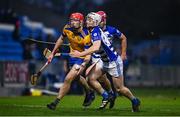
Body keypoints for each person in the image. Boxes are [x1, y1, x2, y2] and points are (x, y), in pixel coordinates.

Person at [70, 12, 140, 112]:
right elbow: (87, 42)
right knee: (90, 78)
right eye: (87, 19)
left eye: (90, 20)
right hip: (104, 61)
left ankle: (135, 101)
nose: (87, 21)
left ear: (96, 22)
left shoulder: (95, 31)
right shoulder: (92, 31)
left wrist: (79, 54)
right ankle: (107, 95)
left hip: (113, 62)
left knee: (120, 89)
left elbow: (96, 47)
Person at [46, 12, 95, 110]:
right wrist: (52, 53)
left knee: (68, 78)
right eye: (71, 20)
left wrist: (84, 64)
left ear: (81, 22)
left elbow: (88, 54)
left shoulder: (85, 35)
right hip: (72, 56)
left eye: (75, 21)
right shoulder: (67, 28)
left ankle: (55, 102)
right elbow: (61, 39)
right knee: (76, 78)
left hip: (83, 57)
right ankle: (89, 92)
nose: (72, 23)